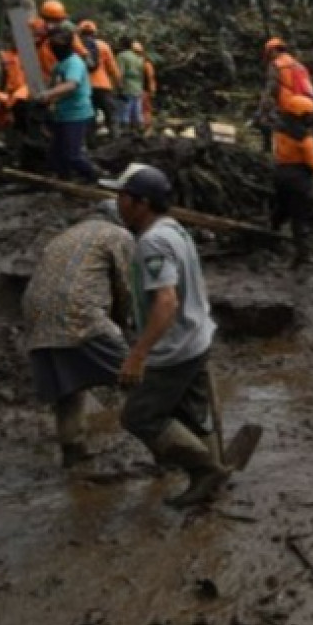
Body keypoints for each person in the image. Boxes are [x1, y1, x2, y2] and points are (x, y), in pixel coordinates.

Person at [100, 164, 233, 507]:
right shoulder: (174, 229)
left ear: (140, 203)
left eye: (122, 197)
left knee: (139, 416)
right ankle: (215, 471)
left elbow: (166, 300)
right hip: (197, 334)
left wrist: (138, 353)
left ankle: (205, 470)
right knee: (191, 412)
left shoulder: (153, 242)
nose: (117, 204)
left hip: (174, 346)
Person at [22, 201, 133, 468]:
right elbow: (126, 288)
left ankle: (73, 452)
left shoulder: (63, 237)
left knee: (68, 387)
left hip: (36, 318)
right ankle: (173, 452)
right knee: (139, 379)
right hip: (80, 315)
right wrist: (127, 329)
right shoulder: (118, 235)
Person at [35, 30, 98, 182]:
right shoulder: (60, 65)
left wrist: (48, 94)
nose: (55, 49)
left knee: (72, 155)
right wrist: (45, 98)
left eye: (58, 46)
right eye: (53, 46)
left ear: (68, 46)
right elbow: (54, 85)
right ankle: (64, 180)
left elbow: (71, 85)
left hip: (76, 114)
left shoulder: (74, 63)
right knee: (57, 153)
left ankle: (93, 177)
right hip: (63, 113)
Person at [270, 94, 313, 266]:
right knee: (299, 217)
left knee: (280, 209)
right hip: (299, 178)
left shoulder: (280, 130)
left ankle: (271, 237)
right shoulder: (306, 138)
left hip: (280, 173)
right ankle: (302, 254)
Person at [77, 21, 121, 144]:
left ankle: (91, 144)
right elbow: (113, 68)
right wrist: (118, 84)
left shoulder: (78, 46)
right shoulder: (103, 45)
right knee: (111, 114)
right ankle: (116, 141)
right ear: (94, 32)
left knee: (90, 116)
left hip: (85, 87)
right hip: (103, 85)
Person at [115, 36, 146, 135]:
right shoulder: (139, 57)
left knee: (124, 112)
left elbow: (119, 73)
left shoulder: (122, 56)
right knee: (137, 112)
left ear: (122, 44)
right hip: (138, 88)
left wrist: (119, 87)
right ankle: (138, 133)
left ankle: (125, 135)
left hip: (127, 88)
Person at [135, 42, 157, 130]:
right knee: (145, 110)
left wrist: (152, 89)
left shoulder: (144, 63)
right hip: (142, 90)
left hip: (140, 90)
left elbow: (150, 77)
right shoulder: (145, 63)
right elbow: (151, 77)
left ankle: (144, 127)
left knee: (142, 109)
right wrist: (152, 89)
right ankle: (145, 127)